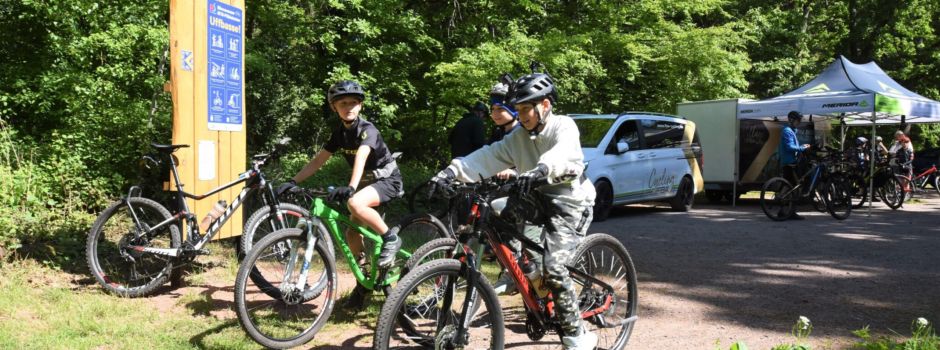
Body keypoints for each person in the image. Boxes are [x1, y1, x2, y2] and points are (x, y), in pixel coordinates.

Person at [427, 73, 598, 349]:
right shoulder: (518, 136)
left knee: (554, 267)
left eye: (525, 109)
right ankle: (526, 268)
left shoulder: (563, 126)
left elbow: (563, 154)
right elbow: (486, 156)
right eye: (517, 110)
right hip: (537, 199)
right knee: (494, 211)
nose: (520, 115)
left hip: (571, 201)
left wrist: (541, 170)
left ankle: (578, 336)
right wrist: (448, 174)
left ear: (544, 105)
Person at [277, 80, 403, 308]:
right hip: (365, 184)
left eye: (354, 103)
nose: (349, 107)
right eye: (343, 103)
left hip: (387, 181)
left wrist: (352, 187)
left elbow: (362, 156)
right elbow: (318, 160)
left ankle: (390, 238)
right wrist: (292, 180)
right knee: (352, 234)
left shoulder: (368, 130)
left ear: (361, 105)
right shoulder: (339, 134)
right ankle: (364, 283)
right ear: (334, 107)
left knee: (354, 204)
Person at [778, 111, 811, 220]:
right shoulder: (787, 131)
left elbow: (793, 146)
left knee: (790, 186)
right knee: (793, 187)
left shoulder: (791, 130)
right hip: (789, 162)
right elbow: (789, 147)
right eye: (798, 120)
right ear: (792, 120)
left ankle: (785, 211)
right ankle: (787, 211)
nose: (799, 122)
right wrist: (802, 148)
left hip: (791, 161)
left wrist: (801, 146)